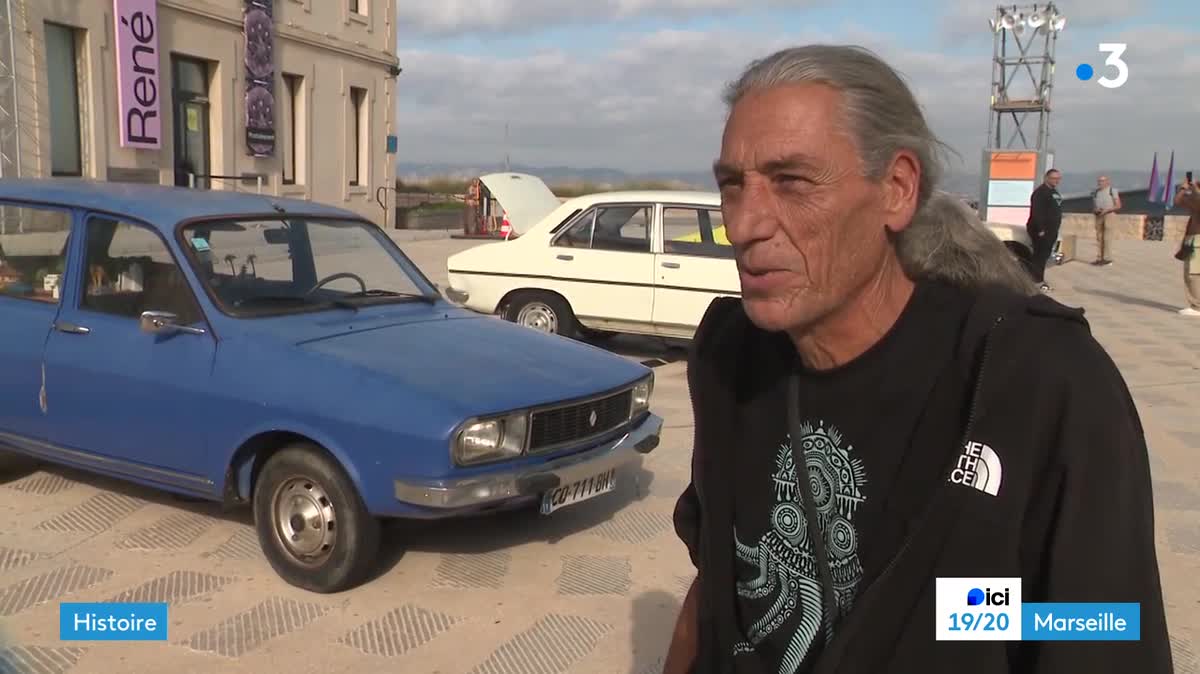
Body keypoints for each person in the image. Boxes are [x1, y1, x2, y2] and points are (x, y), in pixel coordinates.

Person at [665, 45, 1172, 674]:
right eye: (732, 185)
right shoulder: (727, 354)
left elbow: (1104, 622)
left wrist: (951, 615)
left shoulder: (1036, 378)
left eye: (792, 182)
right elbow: (716, 577)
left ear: (897, 189)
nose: (743, 224)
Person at [1026, 169, 1063, 291]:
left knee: (1045, 256)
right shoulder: (1040, 193)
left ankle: (1038, 279)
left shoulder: (1054, 192)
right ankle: (1037, 282)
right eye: (1053, 178)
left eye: (1058, 178)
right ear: (1046, 178)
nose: (1056, 181)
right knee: (1039, 256)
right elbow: (1037, 212)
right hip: (1041, 230)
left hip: (1052, 230)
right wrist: (1041, 229)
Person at [1173, 175, 1200, 316]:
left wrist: (1194, 188)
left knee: (1193, 273)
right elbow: (1177, 201)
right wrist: (1183, 189)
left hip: (1198, 239)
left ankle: (1197, 307)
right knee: (1191, 272)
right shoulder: (1195, 198)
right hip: (1192, 237)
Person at [1091, 175, 1121, 265]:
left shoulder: (1112, 191)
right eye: (1099, 181)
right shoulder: (1095, 192)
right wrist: (1096, 210)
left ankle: (1107, 258)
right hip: (1099, 216)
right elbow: (1094, 206)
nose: (1100, 183)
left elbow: (1118, 205)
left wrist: (1107, 210)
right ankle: (1099, 258)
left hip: (1109, 215)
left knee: (1107, 238)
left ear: (1107, 182)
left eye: (1103, 181)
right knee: (1099, 238)